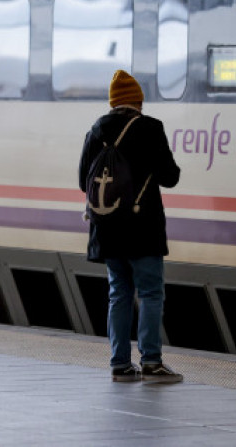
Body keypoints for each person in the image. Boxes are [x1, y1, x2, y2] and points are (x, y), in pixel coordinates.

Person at [78, 69, 182, 383]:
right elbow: (170, 177)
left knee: (118, 293)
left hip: (108, 227)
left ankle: (120, 364)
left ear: (113, 103)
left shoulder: (97, 129)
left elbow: (83, 179)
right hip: (142, 225)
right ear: (138, 100)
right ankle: (151, 361)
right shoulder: (150, 128)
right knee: (150, 292)